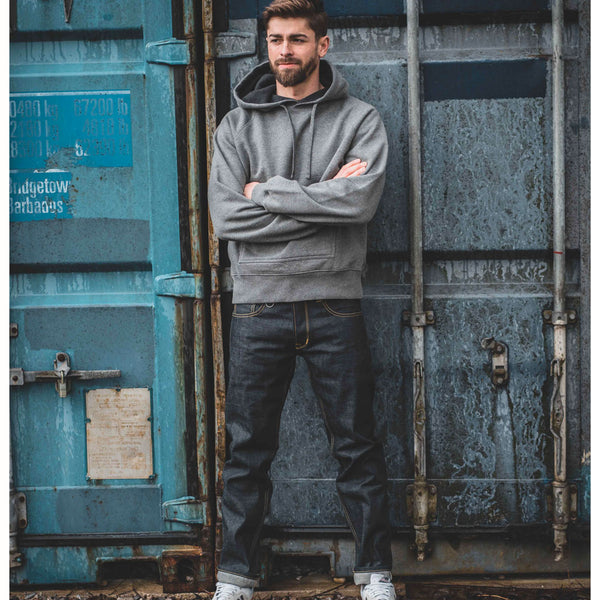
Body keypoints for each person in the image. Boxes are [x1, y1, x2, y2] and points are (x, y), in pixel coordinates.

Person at [208, 1, 395, 599]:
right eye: (275, 40)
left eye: (296, 39)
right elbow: (227, 218)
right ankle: (235, 578)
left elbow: (359, 204)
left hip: (335, 303)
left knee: (357, 447)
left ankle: (376, 575)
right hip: (258, 307)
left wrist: (267, 192)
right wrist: (322, 197)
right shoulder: (235, 127)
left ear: (323, 45)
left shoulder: (360, 120)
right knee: (247, 452)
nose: (284, 51)